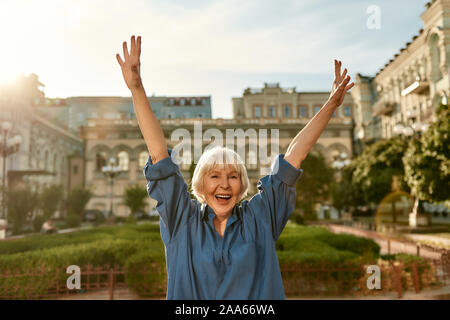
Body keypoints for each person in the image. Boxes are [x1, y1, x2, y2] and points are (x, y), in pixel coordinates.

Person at [116, 35, 354, 299]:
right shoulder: (181, 220)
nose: (224, 184)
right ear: (201, 185)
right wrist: (136, 89)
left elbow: (294, 157)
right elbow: (159, 154)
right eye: (214, 175)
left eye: (233, 176)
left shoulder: (260, 218)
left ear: (242, 186)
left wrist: (331, 104)